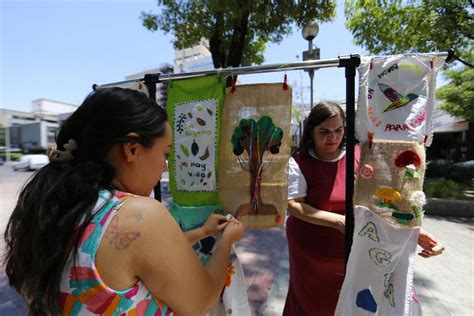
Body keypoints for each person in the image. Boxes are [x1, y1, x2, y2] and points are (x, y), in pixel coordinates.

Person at [3, 87, 244, 316]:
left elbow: (140, 255)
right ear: (132, 149)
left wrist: (202, 231)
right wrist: (226, 241)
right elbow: (200, 302)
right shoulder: (138, 214)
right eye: (165, 154)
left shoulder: (68, 207)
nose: (164, 166)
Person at [284, 101, 445, 315]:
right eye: (324, 131)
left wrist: (415, 232)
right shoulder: (298, 162)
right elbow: (295, 206)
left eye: (338, 130)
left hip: (357, 248)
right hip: (310, 252)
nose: (332, 137)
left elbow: (381, 201)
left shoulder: (360, 156)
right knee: (313, 304)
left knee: (354, 303)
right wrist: (338, 221)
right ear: (310, 131)